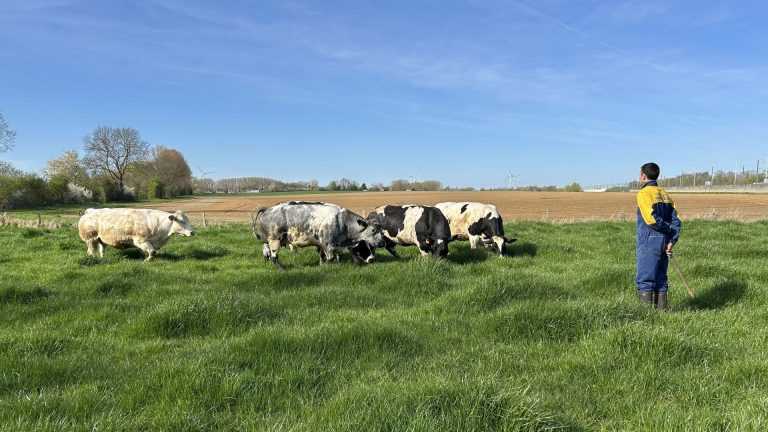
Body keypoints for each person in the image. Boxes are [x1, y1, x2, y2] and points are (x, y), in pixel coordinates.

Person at [636, 162, 681, 310]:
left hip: (649, 240)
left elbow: (651, 218)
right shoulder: (666, 195)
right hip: (665, 241)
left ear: (643, 176)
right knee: (661, 278)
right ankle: (662, 315)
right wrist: (670, 240)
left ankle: (645, 318)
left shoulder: (643, 194)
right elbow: (676, 220)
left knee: (646, 278)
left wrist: (666, 229)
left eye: (639, 174)